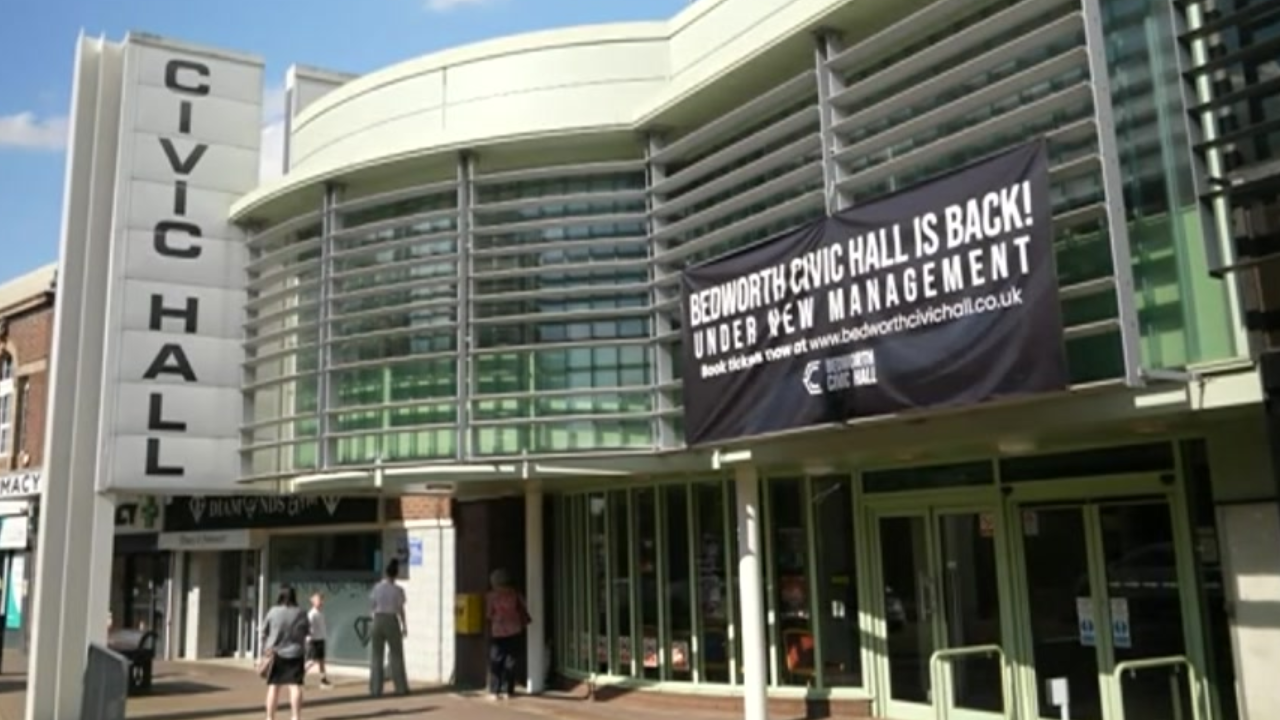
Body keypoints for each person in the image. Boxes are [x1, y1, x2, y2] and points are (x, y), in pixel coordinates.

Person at [260, 586, 310, 720]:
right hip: (296, 653)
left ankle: (270, 717)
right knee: (295, 686)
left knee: (274, 687)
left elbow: (264, 631)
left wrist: (265, 649)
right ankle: (295, 717)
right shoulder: (301, 612)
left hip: (276, 654)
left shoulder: (273, 611)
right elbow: (307, 632)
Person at [485, 568, 530, 701]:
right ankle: (507, 690)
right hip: (514, 630)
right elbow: (525, 605)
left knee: (496, 661)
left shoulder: (491, 596)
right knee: (510, 661)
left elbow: (489, 614)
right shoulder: (515, 594)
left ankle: (495, 690)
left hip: (498, 631)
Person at [369, 559, 409, 697]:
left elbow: (372, 606)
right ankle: (400, 687)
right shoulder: (398, 590)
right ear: (396, 574)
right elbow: (400, 609)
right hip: (391, 619)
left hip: (378, 619)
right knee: (396, 655)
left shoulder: (377, 587)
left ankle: (375, 689)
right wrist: (404, 626)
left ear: (385, 573)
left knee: (376, 656)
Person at [305, 592, 333, 689]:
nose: (321, 602)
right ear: (313, 601)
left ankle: (323, 680)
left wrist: (324, 636)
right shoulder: (311, 614)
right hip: (313, 640)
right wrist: (309, 639)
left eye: (321, 600)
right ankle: (298, 678)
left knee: (321, 661)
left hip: (321, 639)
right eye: (318, 600)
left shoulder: (321, 613)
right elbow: (308, 627)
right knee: (311, 661)